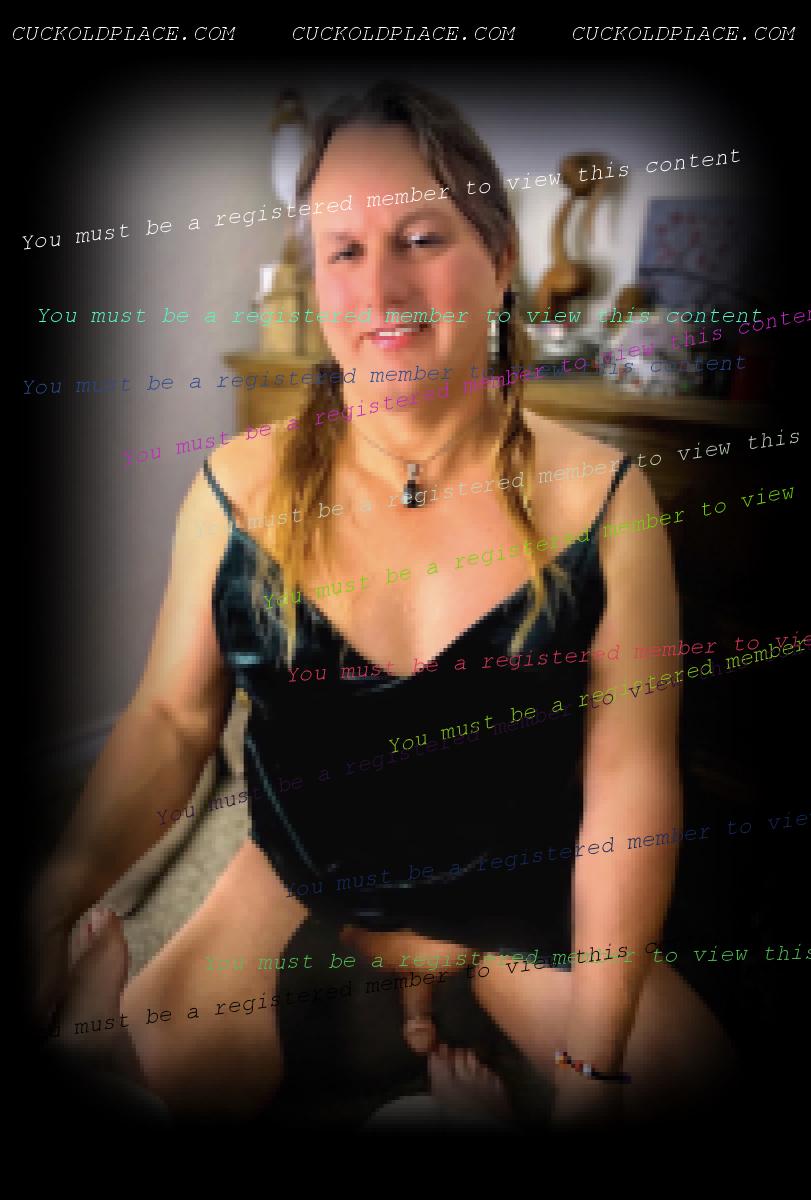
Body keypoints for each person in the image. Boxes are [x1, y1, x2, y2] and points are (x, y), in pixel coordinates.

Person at [29, 81, 733, 1126]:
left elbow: (630, 781)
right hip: (301, 868)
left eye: (420, 237)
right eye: (344, 251)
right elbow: (172, 719)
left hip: (516, 893)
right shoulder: (235, 486)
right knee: (176, 1076)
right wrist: (61, 893)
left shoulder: (605, 498)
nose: (380, 288)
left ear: (500, 259)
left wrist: (592, 1068)